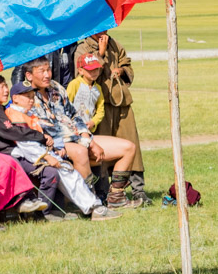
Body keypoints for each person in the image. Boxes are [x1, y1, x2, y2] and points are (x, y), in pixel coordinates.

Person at [0, 74, 118, 221]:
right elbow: (20, 138)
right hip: (19, 155)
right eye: (0, 87)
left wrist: (53, 147)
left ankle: (86, 207)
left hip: (34, 152)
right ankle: (87, 208)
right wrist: (46, 154)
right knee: (62, 172)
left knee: (67, 173)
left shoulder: (17, 112)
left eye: (5, 85)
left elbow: (37, 132)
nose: (5, 90)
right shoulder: (5, 112)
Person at [22, 56, 140, 209]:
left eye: (48, 70)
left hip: (79, 136)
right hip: (55, 144)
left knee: (128, 147)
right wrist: (85, 142)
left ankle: (116, 196)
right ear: (29, 75)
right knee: (80, 151)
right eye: (41, 71)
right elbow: (48, 128)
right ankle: (92, 202)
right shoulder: (25, 96)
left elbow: (74, 114)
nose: (47, 75)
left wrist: (87, 137)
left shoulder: (56, 87)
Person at [75, 31, 149, 204]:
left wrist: (122, 70)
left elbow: (127, 65)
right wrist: (99, 55)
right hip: (100, 106)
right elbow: (82, 77)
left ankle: (138, 190)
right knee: (102, 151)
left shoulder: (115, 44)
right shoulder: (82, 48)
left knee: (132, 145)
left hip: (121, 103)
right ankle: (105, 192)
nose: (105, 31)